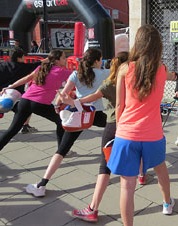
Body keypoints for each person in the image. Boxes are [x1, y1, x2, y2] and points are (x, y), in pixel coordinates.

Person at [107, 24, 177, 226]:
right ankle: (166, 203)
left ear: (137, 44)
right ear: (158, 46)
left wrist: (121, 129)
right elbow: (171, 75)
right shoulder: (162, 70)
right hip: (153, 134)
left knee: (127, 187)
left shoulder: (125, 68)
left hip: (127, 133)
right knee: (161, 168)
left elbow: (119, 104)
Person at [56, 51, 129, 222]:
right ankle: (144, 176)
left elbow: (90, 98)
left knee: (105, 166)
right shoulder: (137, 82)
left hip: (114, 124)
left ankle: (92, 208)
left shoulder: (109, 83)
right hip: (134, 125)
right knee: (136, 154)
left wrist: (71, 102)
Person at [25, 48, 109, 197]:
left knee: (61, 151)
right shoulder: (104, 73)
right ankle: (139, 169)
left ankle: (42, 185)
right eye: (100, 59)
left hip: (78, 114)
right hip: (96, 114)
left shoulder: (76, 73)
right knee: (119, 130)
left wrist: (57, 106)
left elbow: (63, 94)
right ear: (96, 61)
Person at [0, 49, 71, 152]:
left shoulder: (41, 68)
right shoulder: (62, 71)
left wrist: (10, 86)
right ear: (56, 61)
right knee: (61, 122)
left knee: (12, 131)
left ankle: (63, 151)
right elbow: (80, 76)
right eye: (64, 58)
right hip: (39, 103)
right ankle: (62, 151)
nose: (66, 60)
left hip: (24, 101)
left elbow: (27, 78)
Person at [0, 47, 43, 133]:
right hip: (17, 95)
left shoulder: (2, 65)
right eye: (23, 57)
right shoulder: (23, 67)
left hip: (1, 94)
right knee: (26, 109)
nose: (24, 58)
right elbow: (37, 63)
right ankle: (25, 126)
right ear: (19, 58)